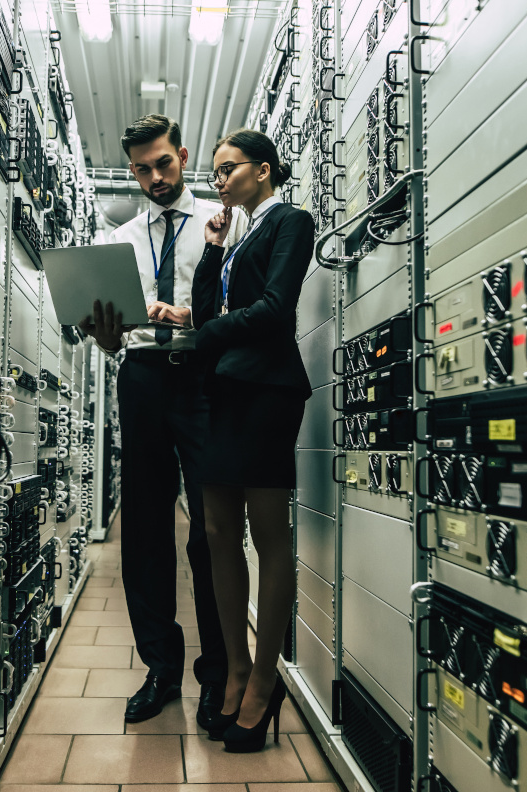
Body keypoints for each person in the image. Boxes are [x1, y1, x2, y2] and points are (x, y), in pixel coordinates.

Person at [78, 114, 249, 728]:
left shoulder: (224, 223)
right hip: (144, 376)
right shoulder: (121, 238)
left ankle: (217, 673)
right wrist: (103, 334)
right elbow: (110, 333)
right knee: (146, 527)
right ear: (132, 171)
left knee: (210, 528)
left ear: (182, 156)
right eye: (142, 169)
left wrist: (195, 319)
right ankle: (161, 669)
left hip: (204, 378)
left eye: (164, 164)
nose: (155, 177)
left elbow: (243, 307)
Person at [150, 128, 314, 752]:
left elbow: (276, 310)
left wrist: (207, 334)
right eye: (215, 172)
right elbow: (206, 304)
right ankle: (236, 670)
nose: (218, 182)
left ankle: (265, 681)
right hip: (223, 390)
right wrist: (215, 251)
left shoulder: (290, 223)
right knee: (216, 530)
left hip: (267, 391)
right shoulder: (239, 234)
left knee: (269, 536)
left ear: (263, 171)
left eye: (228, 170)